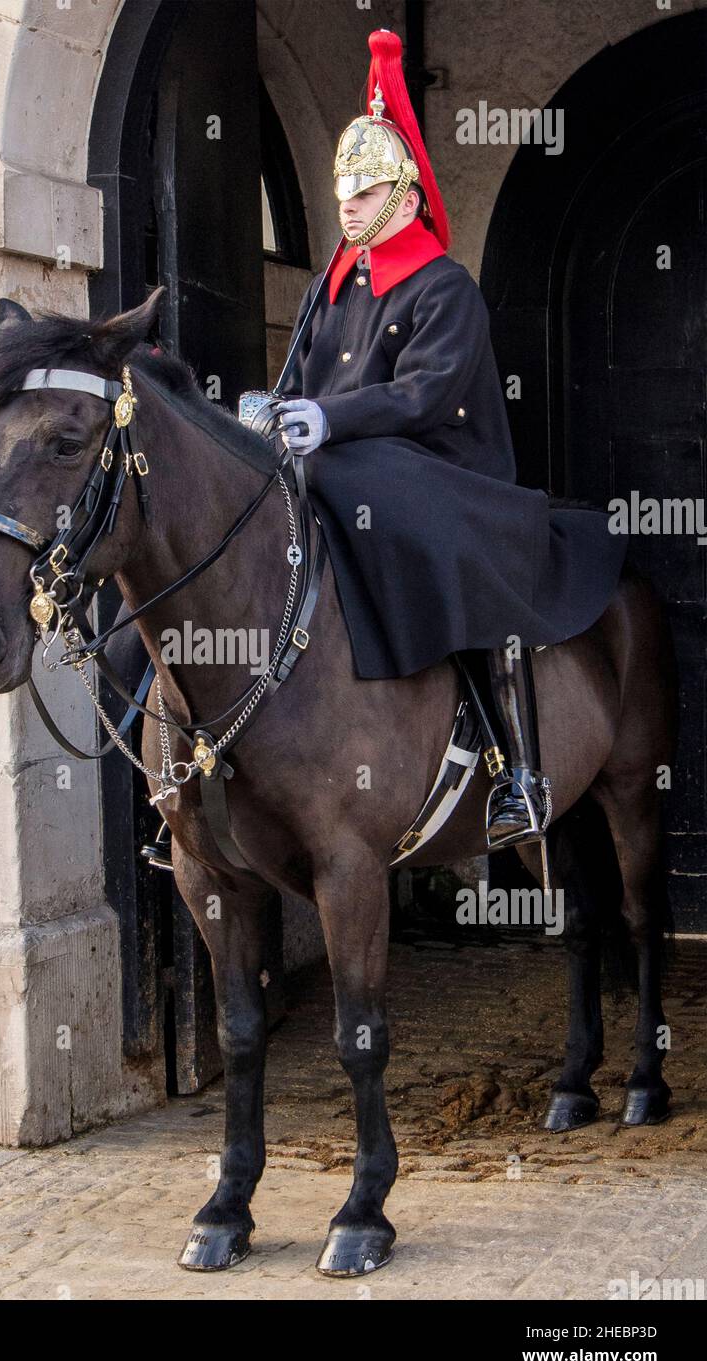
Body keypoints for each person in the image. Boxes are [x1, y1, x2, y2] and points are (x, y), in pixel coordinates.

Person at [271, 28, 627, 850]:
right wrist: (276, 412)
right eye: (341, 193)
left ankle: (516, 768)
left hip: (442, 468)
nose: (346, 207)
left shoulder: (444, 286)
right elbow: (301, 377)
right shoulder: (333, 284)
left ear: (401, 196)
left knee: (437, 539)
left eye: (363, 194)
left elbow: (425, 393)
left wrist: (328, 419)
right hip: (338, 462)